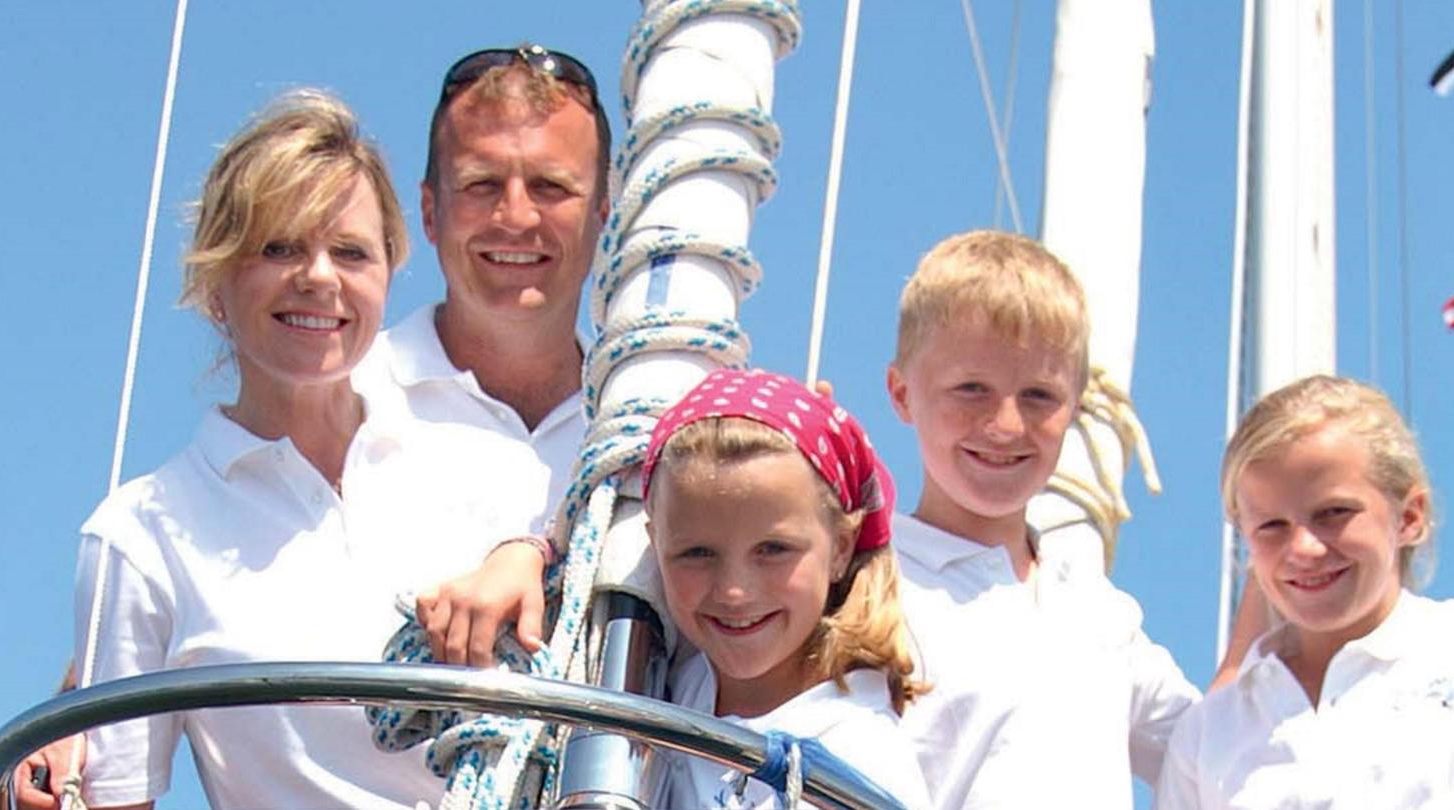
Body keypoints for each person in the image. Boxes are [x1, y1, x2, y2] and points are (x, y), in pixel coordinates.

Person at [45, 88, 543, 810]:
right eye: (278, 247)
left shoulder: (492, 458)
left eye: (350, 252)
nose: (318, 276)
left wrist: (523, 554)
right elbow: (111, 798)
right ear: (216, 278)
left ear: (388, 272)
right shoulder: (140, 536)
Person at [884, 230, 1215, 809]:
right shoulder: (865, 583)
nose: (1008, 425)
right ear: (902, 394)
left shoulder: (1099, 613)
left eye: (1039, 396)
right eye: (971, 389)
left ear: (1076, 405)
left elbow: (1212, 756)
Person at [1153, 375, 1454, 808]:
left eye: (1334, 513)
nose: (1303, 547)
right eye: (1271, 526)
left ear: (1410, 517)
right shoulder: (1207, 733)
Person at [347, 44, 612, 669]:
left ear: (603, 215)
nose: (516, 216)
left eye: (551, 186)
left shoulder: (648, 432)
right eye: (481, 185)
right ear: (431, 214)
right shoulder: (341, 402)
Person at [642, 368, 931, 810]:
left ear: (841, 547)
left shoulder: (861, 759)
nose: (734, 592)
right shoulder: (682, 672)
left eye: (773, 549)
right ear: (654, 544)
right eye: (697, 553)